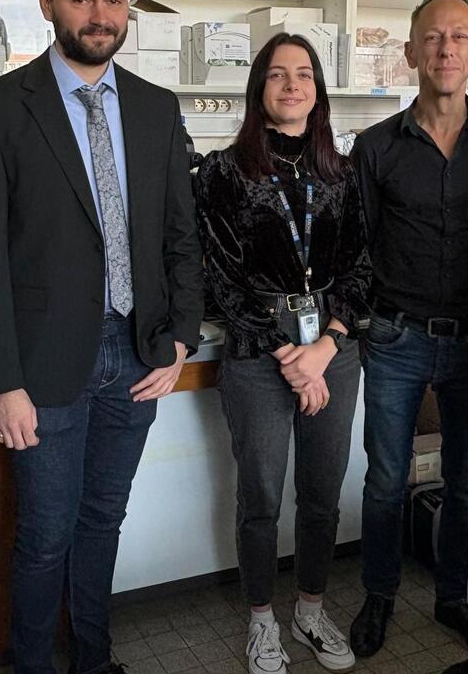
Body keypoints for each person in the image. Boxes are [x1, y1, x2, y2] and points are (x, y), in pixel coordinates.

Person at [0, 0, 203, 674]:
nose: (101, 14)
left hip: (137, 352)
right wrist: (3, 380)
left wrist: (181, 340)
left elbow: (180, 237)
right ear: (46, 5)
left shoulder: (157, 109)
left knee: (104, 522)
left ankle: (93, 660)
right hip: (42, 366)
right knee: (45, 535)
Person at [347, 0, 468, 657]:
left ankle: (453, 597)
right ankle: (379, 595)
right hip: (395, 338)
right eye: (433, 37)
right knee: (387, 478)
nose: (445, 49)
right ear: (411, 52)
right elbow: (359, 246)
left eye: (459, 38)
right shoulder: (376, 146)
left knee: (464, 479)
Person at [195, 33, 372, 674]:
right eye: (276, 75)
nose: (291, 85)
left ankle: (311, 607)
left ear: (318, 89)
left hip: (333, 351)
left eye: (303, 74)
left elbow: (361, 269)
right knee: (262, 495)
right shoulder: (222, 172)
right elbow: (222, 280)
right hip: (255, 354)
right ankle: (263, 619)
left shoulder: (344, 174)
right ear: (258, 89)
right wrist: (288, 356)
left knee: (322, 492)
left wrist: (323, 348)